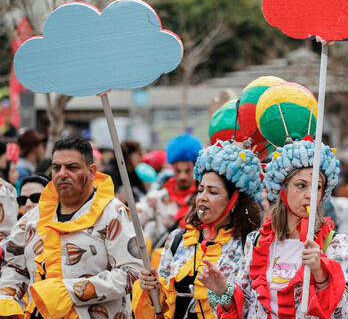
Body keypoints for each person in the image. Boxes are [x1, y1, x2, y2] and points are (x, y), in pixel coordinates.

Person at [200, 138, 348, 318]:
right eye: (301, 185)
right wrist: (223, 291)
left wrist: (321, 273)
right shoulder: (257, 241)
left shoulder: (336, 245)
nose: (310, 195)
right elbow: (248, 306)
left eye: (317, 187)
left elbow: (346, 310)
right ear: (281, 190)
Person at [0, 135, 143, 318]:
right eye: (56, 168)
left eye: (72, 167)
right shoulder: (31, 219)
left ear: (92, 172)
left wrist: (70, 291)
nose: (62, 174)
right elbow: (16, 267)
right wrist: (6, 296)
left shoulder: (113, 214)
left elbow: (132, 272)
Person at [133, 140, 263, 319]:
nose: (202, 197)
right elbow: (162, 306)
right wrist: (152, 287)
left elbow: (255, 308)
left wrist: (224, 292)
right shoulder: (178, 239)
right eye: (201, 190)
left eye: (213, 192)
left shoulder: (248, 245)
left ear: (234, 201)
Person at [137, 133, 202, 247]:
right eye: (178, 171)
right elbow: (134, 219)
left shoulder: (202, 199)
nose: (182, 176)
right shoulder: (156, 198)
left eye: (187, 171)